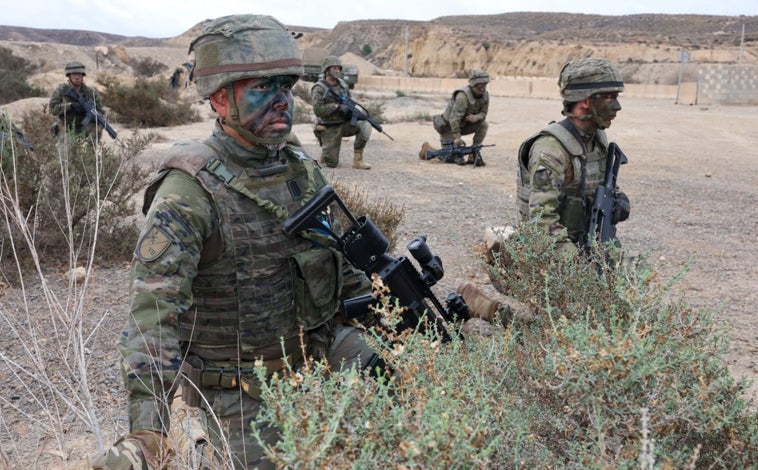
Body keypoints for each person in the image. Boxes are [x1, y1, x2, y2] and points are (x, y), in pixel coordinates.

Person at [92, 14, 380, 470]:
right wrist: (149, 428)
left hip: (318, 353)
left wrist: (388, 314)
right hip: (240, 389)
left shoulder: (299, 167)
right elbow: (153, 316)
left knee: (402, 397)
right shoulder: (189, 192)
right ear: (220, 98)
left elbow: (336, 264)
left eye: (285, 85)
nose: (283, 99)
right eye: (263, 87)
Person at [515, 57, 630, 257]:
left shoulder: (596, 139)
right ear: (586, 101)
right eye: (610, 97)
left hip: (585, 239)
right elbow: (541, 223)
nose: (617, 106)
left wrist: (616, 201)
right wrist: (577, 266)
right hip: (551, 250)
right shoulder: (551, 150)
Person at [310, 55, 372, 169]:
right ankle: (325, 147)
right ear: (327, 70)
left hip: (343, 124)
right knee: (331, 164)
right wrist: (336, 106)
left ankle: (357, 161)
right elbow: (318, 111)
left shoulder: (343, 85)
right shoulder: (319, 88)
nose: (337, 70)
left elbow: (348, 102)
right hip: (329, 126)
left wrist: (354, 113)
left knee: (365, 125)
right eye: (334, 68)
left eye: (338, 68)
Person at [423, 70, 490, 165]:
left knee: (483, 125)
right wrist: (457, 138)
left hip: (463, 126)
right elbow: (454, 119)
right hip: (449, 127)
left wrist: (477, 117)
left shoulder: (485, 96)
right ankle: (427, 149)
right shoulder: (462, 97)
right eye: (480, 86)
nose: (483, 88)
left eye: (484, 85)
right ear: (473, 85)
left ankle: (473, 153)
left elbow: (483, 113)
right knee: (450, 157)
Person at [48, 61, 106, 141]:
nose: (77, 77)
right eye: (74, 74)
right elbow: (53, 109)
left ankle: (91, 151)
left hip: (83, 127)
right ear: (69, 76)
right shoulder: (61, 91)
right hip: (65, 127)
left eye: (79, 74)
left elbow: (101, 111)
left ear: (83, 76)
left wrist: (91, 113)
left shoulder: (91, 93)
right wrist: (70, 105)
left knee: (97, 126)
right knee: (66, 150)